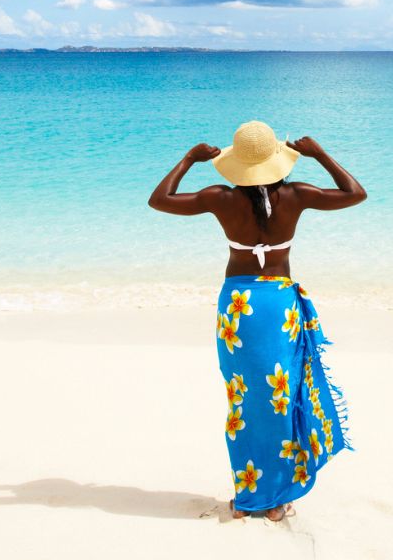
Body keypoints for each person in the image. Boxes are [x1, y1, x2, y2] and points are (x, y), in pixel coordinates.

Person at [148, 120, 367, 521]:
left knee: (244, 401)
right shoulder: (297, 195)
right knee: (281, 399)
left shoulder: (220, 198)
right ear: (278, 161)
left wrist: (188, 160)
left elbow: (159, 200)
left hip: (239, 309)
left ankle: (247, 496)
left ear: (237, 165)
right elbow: (356, 193)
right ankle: (277, 500)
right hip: (278, 306)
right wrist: (319, 154)